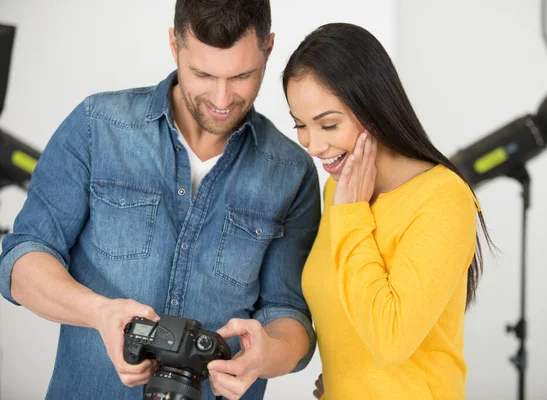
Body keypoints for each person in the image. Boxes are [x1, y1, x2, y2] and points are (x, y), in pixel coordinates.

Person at [0, 1, 320, 399]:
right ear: (174, 44)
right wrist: (99, 312)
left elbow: (291, 316)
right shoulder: (97, 126)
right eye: (202, 74)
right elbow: (21, 261)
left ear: (268, 48)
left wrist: (267, 353)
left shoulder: (291, 171)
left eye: (242, 76)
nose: (222, 99)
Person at [282, 23, 492, 399]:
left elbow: (390, 339)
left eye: (328, 124)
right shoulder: (338, 188)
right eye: (300, 125)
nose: (312, 145)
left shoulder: (443, 198)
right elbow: (347, 318)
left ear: (373, 107)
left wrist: (351, 214)